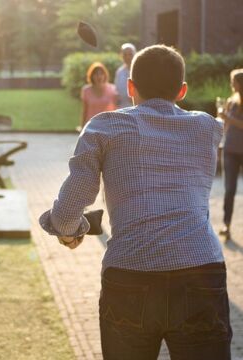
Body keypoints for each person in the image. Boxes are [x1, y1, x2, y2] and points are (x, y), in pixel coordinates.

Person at [39, 45, 231, 359]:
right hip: (200, 270)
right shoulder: (207, 127)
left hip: (130, 273)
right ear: (182, 90)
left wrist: (70, 230)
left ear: (130, 86)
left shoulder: (103, 127)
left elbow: (67, 210)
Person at [218, 69, 243, 241]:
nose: (231, 84)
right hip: (229, 150)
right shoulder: (230, 101)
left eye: (233, 81)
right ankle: (226, 225)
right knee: (229, 190)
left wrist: (227, 118)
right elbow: (225, 125)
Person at [79, 62, 117, 130]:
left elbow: (116, 110)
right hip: (91, 127)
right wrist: (82, 127)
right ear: (91, 76)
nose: (99, 76)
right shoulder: (86, 90)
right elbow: (85, 111)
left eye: (101, 74)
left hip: (108, 127)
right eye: (96, 74)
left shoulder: (113, 89)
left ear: (105, 75)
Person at [114, 42, 136, 108]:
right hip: (121, 108)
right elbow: (116, 89)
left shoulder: (139, 71)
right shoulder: (119, 71)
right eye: (125, 54)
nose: (128, 57)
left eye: (130, 54)